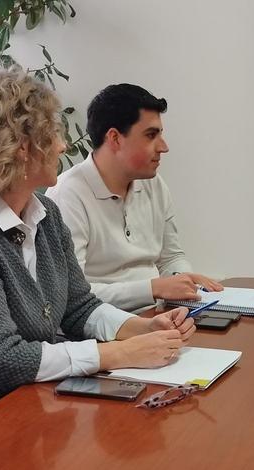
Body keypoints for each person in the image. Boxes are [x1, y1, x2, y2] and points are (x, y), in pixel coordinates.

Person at [0, 68, 195, 433]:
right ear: (18, 146)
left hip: (32, 390)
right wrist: (119, 353)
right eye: (53, 134)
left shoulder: (44, 213)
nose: (63, 146)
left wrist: (139, 328)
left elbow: (79, 306)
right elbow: (3, 360)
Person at [45, 83, 221, 311]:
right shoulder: (66, 195)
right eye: (151, 135)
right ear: (115, 138)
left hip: (157, 318)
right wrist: (153, 289)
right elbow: (72, 296)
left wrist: (183, 280)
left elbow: (170, 257)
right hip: (99, 334)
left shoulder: (154, 185)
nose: (164, 147)